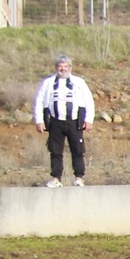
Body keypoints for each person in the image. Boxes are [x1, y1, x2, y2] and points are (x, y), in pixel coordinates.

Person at [33, 55, 95, 189]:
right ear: (56, 67)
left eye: (66, 66)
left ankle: (79, 178)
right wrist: (39, 120)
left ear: (70, 68)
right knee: (55, 151)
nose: (63, 69)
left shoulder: (79, 82)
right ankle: (56, 178)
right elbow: (39, 101)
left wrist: (88, 119)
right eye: (60, 66)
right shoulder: (48, 82)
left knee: (77, 150)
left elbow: (89, 101)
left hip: (74, 121)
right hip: (55, 122)